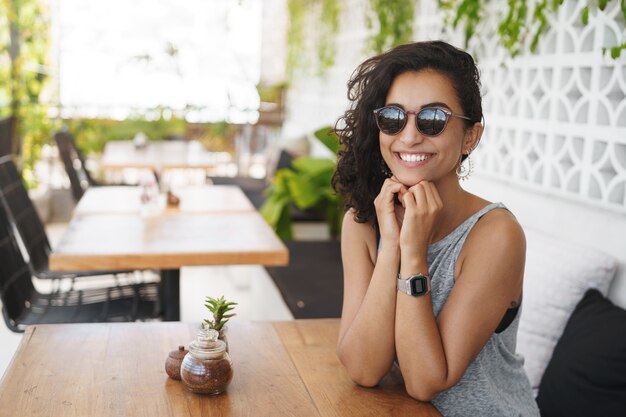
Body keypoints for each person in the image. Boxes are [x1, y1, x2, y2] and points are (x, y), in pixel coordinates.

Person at [332, 40, 540, 416]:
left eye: (432, 120)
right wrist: (391, 244)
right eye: (394, 117)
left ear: (470, 137)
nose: (409, 136)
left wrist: (413, 254)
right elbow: (363, 368)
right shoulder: (363, 223)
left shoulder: (496, 234)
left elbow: (427, 381)